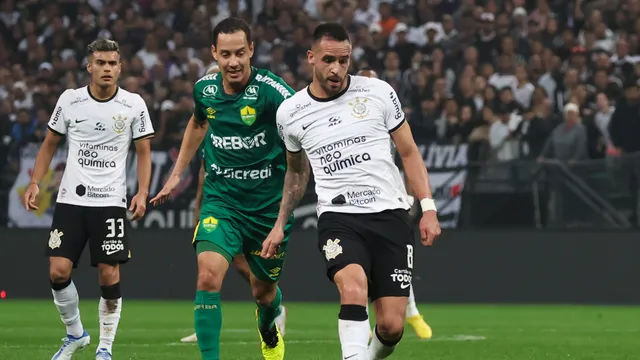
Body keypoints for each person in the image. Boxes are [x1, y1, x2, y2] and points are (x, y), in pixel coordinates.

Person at [262, 23, 441, 360]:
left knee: (391, 327)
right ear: (311, 58)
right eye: (328, 59)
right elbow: (296, 173)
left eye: (344, 60)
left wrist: (428, 207)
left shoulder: (377, 92)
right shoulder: (290, 112)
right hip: (339, 217)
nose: (337, 69)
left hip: (390, 216)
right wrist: (278, 223)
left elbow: (409, 152)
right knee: (353, 288)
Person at [150, 17, 293, 360]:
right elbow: (199, 123)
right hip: (222, 201)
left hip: (266, 209)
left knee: (264, 294)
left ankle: (268, 326)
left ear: (252, 51)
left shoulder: (274, 93)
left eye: (240, 53)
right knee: (208, 278)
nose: (233, 62)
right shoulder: (205, 90)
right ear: (214, 53)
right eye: (225, 54)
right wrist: (175, 175)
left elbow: (303, 127)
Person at [22, 39, 154, 360]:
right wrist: (36, 182)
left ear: (120, 67)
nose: (107, 68)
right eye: (100, 62)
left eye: (112, 63)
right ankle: (75, 334)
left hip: (110, 201)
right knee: (57, 271)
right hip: (71, 200)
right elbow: (50, 144)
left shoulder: (133, 104)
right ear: (89, 67)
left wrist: (142, 192)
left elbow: (144, 152)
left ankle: (105, 347)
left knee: (109, 274)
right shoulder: (70, 100)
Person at [180, 123, 287, 344]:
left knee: (242, 267)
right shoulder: (211, 134)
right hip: (220, 208)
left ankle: (273, 304)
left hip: (252, 209)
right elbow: (204, 172)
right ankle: (204, 326)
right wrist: (199, 208)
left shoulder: (253, 133)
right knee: (208, 271)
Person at [355, 68, 433, 340]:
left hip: (391, 199)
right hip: (355, 204)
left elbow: (408, 155)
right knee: (358, 266)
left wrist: (413, 199)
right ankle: (361, 324)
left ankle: (411, 311)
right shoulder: (350, 119)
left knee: (395, 263)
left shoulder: (390, 116)